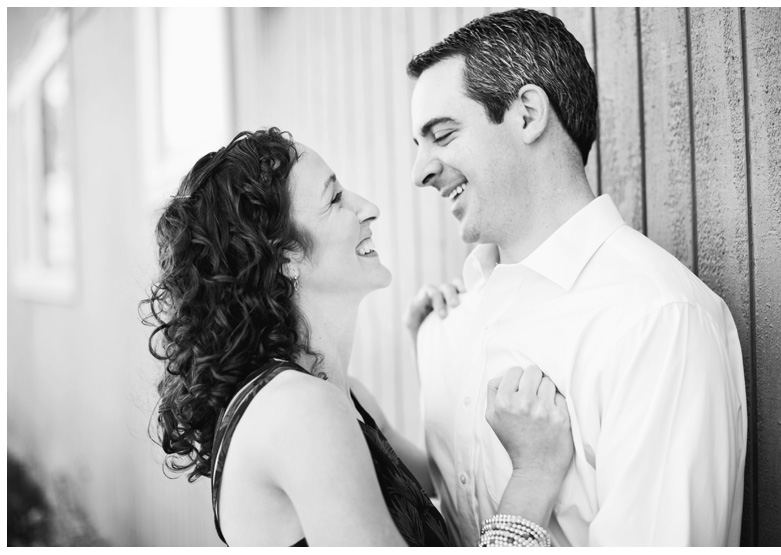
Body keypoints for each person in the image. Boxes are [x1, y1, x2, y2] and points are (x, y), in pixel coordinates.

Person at [405, 8, 748, 547]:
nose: (420, 171)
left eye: (442, 135)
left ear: (527, 115)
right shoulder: (449, 324)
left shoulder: (657, 323)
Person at [141, 127, 574, 546]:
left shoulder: (344, 397)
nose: (368, 208)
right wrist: (533, 478)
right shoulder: (299, 409)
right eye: (335, 199)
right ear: (283, 258)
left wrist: (437, 349)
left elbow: (448, 477)